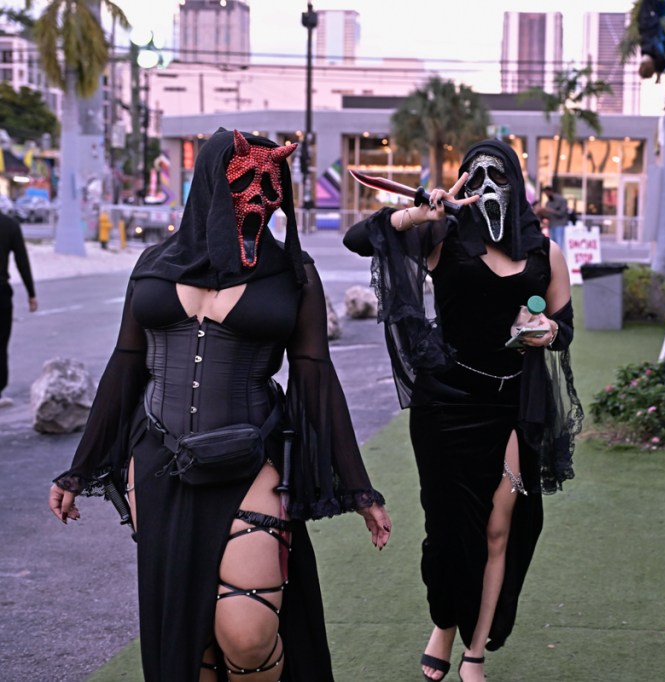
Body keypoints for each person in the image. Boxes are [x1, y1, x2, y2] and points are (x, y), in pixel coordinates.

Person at [48, 128, 391, 682]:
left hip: (251, 459)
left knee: (248, 637)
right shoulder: (154, 262)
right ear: (210, 181)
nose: (257, 197)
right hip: (158, 463)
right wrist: (79, 468)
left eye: (269, 184)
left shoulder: (293, 273)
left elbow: (316, 380)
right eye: (243, 182)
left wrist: (358, 488)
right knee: (192, 643)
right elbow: (125, 366)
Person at [343, 139, 582, 682]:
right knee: (448, 533)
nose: (487, 185)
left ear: (517, 182)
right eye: (475, 175)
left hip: (512, 404)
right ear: (462, 183)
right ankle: (444, 624)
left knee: (499, 529)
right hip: (445, 405)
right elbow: (359, 239)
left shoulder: (544, 253)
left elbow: (564, 328)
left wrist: (545, 330)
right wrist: (415, 213)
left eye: (499, 175)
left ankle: (474, 652)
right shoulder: (442, 235)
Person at [0, 207, 38, 407]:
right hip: (1, 292)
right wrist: (31, 293)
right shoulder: (10, 225)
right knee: (0, 343)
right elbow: (22, 261)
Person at [537, 185, 569, 250]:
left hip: (559, 224)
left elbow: (562, 213)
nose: (546, 195)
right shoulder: (548, 202)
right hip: (551, 225)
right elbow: (548, 216)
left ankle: (559, 255)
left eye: (547, 193)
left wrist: (550, 210)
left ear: (551, 191)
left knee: (559, 243)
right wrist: (541, 212)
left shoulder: (561, 200)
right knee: (552, 244)